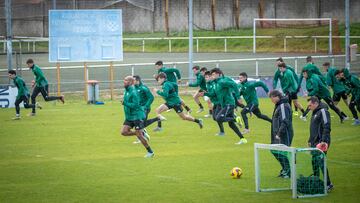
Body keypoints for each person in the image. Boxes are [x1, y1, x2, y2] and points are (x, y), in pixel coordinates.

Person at [210, 68, 247, 144]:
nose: (212, 76)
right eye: (212, 75)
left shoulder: (222, 81)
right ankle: (243, 139)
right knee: (231, 125)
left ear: (218, 74)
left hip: (229, 104)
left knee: (218, 118)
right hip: (225, 104)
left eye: (214, 74)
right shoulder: (216, 82)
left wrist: (238, 97)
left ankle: (236, 119)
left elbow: (234, 84)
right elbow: (216, 94)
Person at [120, 76, 154, 158]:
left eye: (126, 80)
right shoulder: (126, 90)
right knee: (123, 132)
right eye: (124, 80)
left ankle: (150, 152)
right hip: (129, 116)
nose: (124, 81)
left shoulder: (134, 92)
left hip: (137, 116)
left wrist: (125, 103)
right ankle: (140, 133)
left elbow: (135, 105)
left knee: (139, 136)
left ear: (131, 82)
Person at [307, 96, 334, 192]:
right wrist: (310, 140)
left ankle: (328, 184)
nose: (309, 107)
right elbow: (313, 128)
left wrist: (323, 141)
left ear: (315, 103)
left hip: (322, 142)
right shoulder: (315, 112)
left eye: (310, 105)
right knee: (314, 162)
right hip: (314, 142)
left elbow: (327, 126)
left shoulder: (323, 111)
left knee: (320, 162)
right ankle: (316, 181)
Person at [269, 90, 294, 178]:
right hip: (277, 133)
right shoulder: (279, 105)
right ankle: (285, 169)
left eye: (272, 98)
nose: (271, 100)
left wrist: (279, 133)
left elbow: (285, 121)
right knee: (274, 150)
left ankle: (288, 171)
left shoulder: (283, 106)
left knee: (282, 152)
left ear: (276, 96)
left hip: (284, 133)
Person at [133, 75, 162, 144]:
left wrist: (146, 106)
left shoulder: (143, 88)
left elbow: (151, 97)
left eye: (133, 80)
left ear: (137, 81)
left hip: (144, 109)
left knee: (139, 123)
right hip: (138, 109)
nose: (132, 82)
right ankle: (145, 134)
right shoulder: (134, 88)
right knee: (138, 123)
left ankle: (142, 138)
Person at [204, 71, 225, 136]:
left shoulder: (213, 83)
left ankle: (222, 132)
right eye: (205, 77)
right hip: (215, 103)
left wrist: (205, 93)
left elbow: (213, 94)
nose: (206, 78)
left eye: (207, 77)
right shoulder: (208, 84)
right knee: (214, 118)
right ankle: (233, 118)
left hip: (219, 102)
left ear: (210, 77)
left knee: (217, 118)